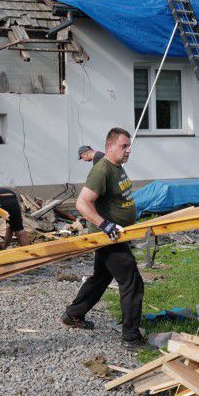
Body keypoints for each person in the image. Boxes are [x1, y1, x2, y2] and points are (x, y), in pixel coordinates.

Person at [62, 128, 146, 350]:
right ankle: (131, 337)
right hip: (108, 236)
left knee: (101, 277)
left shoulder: (110, 161)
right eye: (124, 146)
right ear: (111, 147)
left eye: (129, 146)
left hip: (118, 234)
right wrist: (105, 225)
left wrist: (86, 152)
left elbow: (95, 154)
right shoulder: (102, 171)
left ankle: (74, 314)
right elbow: (82, 203)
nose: (128, 150)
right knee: (132, 281)